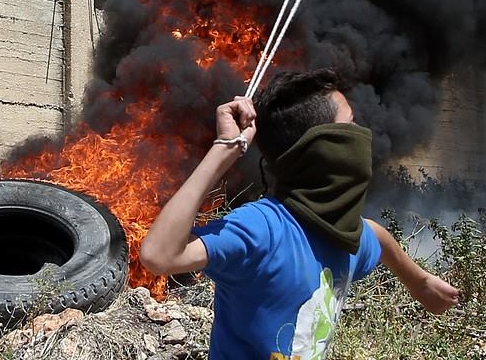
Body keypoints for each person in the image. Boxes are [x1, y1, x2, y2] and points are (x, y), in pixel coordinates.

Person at [140, 69, 459, 360]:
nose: (363, 135)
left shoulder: (340, 234)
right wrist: (226, 148)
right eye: (350, 125)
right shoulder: (263, 229)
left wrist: (419, 281)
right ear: (327, 147)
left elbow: (374, 235)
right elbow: (159, 255)